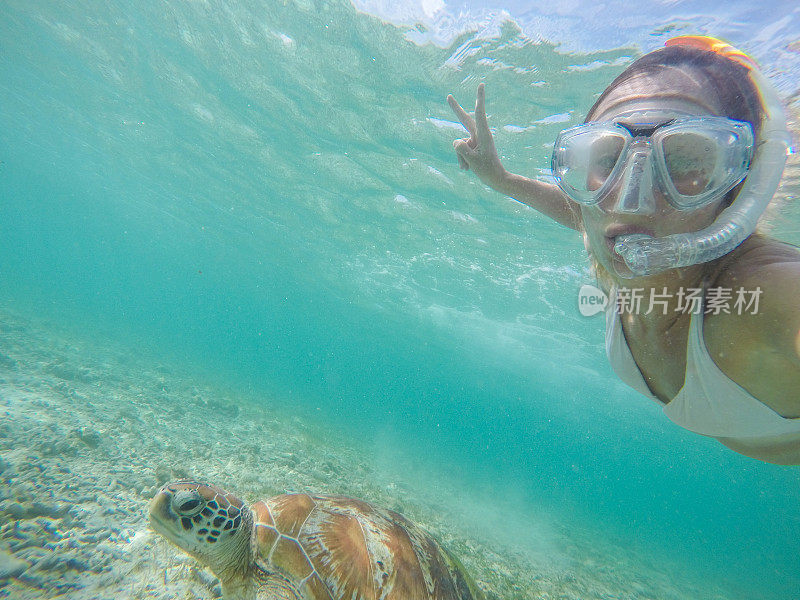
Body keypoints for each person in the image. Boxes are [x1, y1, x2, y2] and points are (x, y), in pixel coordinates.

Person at [447, 36, 800, 464]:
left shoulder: (767, 296)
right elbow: (578, 214)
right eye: (606, 161)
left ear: (740, 192)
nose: (631, 199)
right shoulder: (614, 231)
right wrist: (502, 180)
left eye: (685, 162)